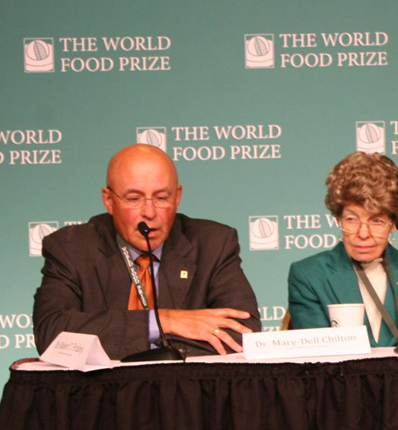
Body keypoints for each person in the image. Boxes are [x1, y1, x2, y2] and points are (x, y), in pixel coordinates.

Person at [33, 144, 261, 359]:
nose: (149, 212)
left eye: (162, 198)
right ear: (109, 200)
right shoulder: (71, 248)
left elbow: (242, 334)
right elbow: (53, 335)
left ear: (178, 196)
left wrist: (128, 341)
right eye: (134, 199)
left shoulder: (213, 243)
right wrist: (164, 322)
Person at [288, 152, 398, 346]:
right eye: (352, 219)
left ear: (395, 223)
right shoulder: (309, 275)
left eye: (377, 220)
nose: (363, 233)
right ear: (338, 219)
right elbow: (315, 360)